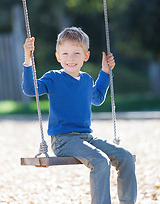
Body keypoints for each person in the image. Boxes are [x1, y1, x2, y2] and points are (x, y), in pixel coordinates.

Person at [22, 27, 137, 204]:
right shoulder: (53, 78)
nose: (70, 58)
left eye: (76, 53)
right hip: (63, 140)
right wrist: (28, 59)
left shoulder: (86, 80)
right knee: (100, 161)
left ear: (86, 56)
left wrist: (105, 72)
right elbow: (30, 90)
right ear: (58, 57)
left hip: (86, 137)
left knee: (126, 157)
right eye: (65, 53)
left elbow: (97, 98)